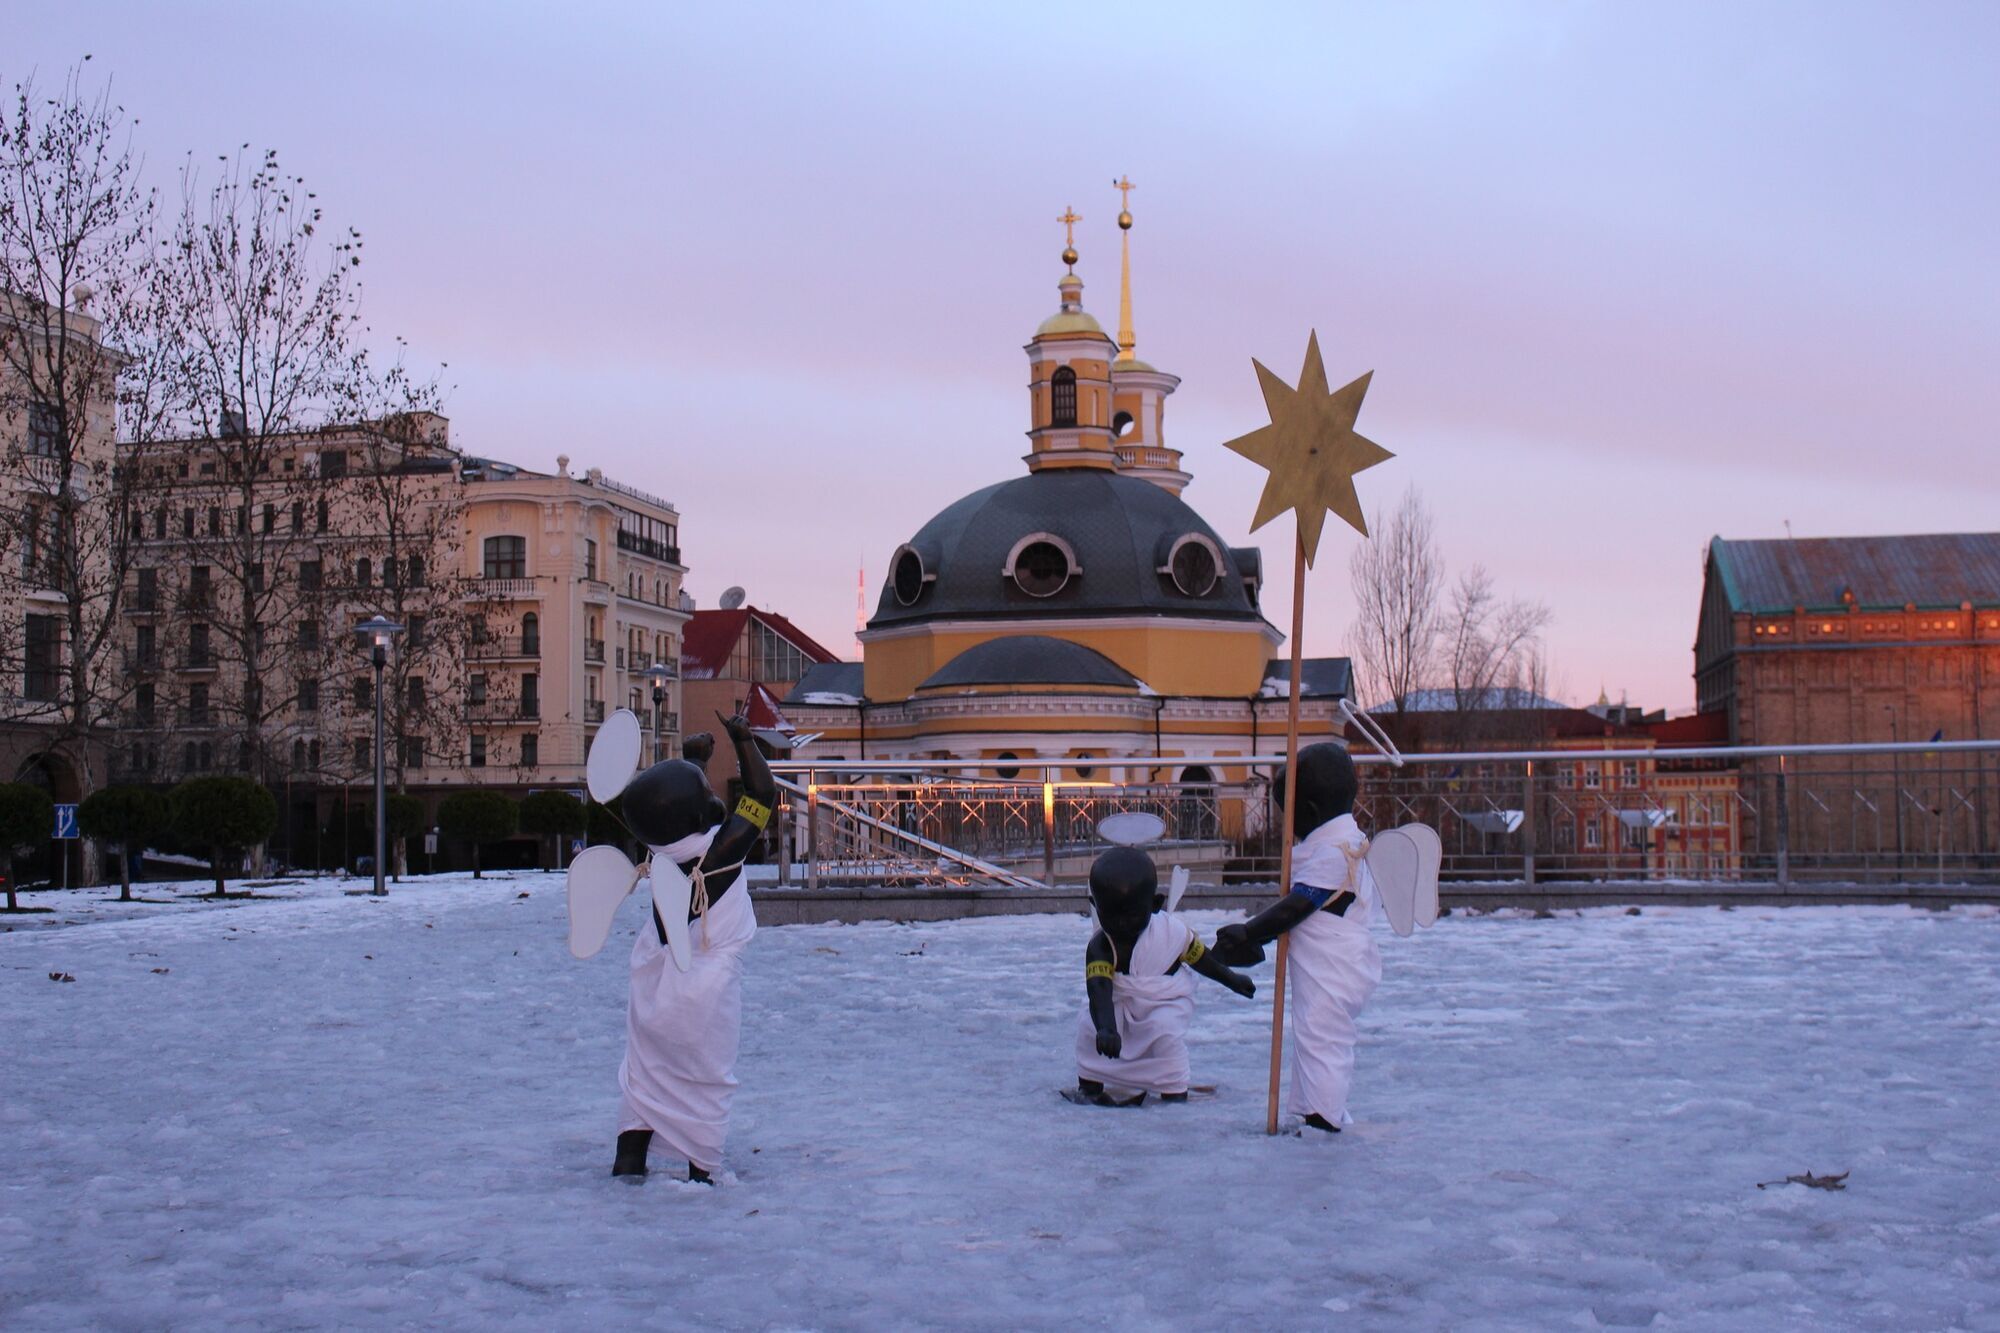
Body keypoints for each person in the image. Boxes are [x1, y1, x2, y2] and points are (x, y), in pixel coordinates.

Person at [610, 713, 774, 1183]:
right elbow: (761, 797)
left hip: (655, 978)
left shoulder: (658, 855)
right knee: (703, 1080)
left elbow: (675, 809)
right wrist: (743, 739)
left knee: (644, 1081)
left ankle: (628, 1163)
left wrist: (693, 760)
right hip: (704, 989)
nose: (715, 798)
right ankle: (701, 1170)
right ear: (702, 817)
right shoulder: (719, 855)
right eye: (707, 793)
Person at [1214, 743, 1381, 1133]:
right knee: (1312, 1035)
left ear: (1308, 813)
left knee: (1323, 1038)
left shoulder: (1335, 853)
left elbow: (1297, 907)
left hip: (1334, 966)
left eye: (1288, 815)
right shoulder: (1342, 842)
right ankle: (1311, 1107)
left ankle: (1324, 1118)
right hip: (1329, 965)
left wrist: (1250, 931)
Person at [1072, 846, 1255, 1106]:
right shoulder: (1101, 946)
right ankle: (1090, 1082)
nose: (1122, 924)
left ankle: (1172, 1087)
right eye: (1111, 915)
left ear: (1155, 904)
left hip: (1163, 1003)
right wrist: (1105, 1027)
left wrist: (1231, 979)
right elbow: (1099, 988)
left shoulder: (1172, 933)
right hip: (1115, 1005)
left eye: (1133, 914)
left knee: (1165, 1032)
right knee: (1087, 1028)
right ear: (1095, 906)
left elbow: (1201, 959)